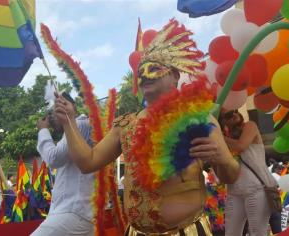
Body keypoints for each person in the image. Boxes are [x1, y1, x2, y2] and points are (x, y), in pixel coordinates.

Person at [54, 19, 240, 235]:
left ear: (175, 76)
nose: (144, 75)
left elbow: (231, 176)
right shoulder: (125, 125)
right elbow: (89, 162)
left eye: (154, 68)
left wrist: (223, 160)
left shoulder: (199, 119)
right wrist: (69, 121)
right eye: (140, 71)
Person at [31, 92, 94, 236]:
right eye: (51, 114)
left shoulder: (80, 124)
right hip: (74, 213)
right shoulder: (74, 129)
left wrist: (43, 130)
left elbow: (54, 159)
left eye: (56, 111)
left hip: (73, 212)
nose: (52, 118)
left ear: (72, 108)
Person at [219, 109, 278, 236]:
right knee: (230, 233)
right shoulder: (224, 138)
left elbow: (241, 146)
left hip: (256, 189)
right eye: (229, 114)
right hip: (234, 191)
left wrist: (219, 137)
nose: (234, 114)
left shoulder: (250, 125)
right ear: (223, 121)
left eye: (235, 111)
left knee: (257, 233)